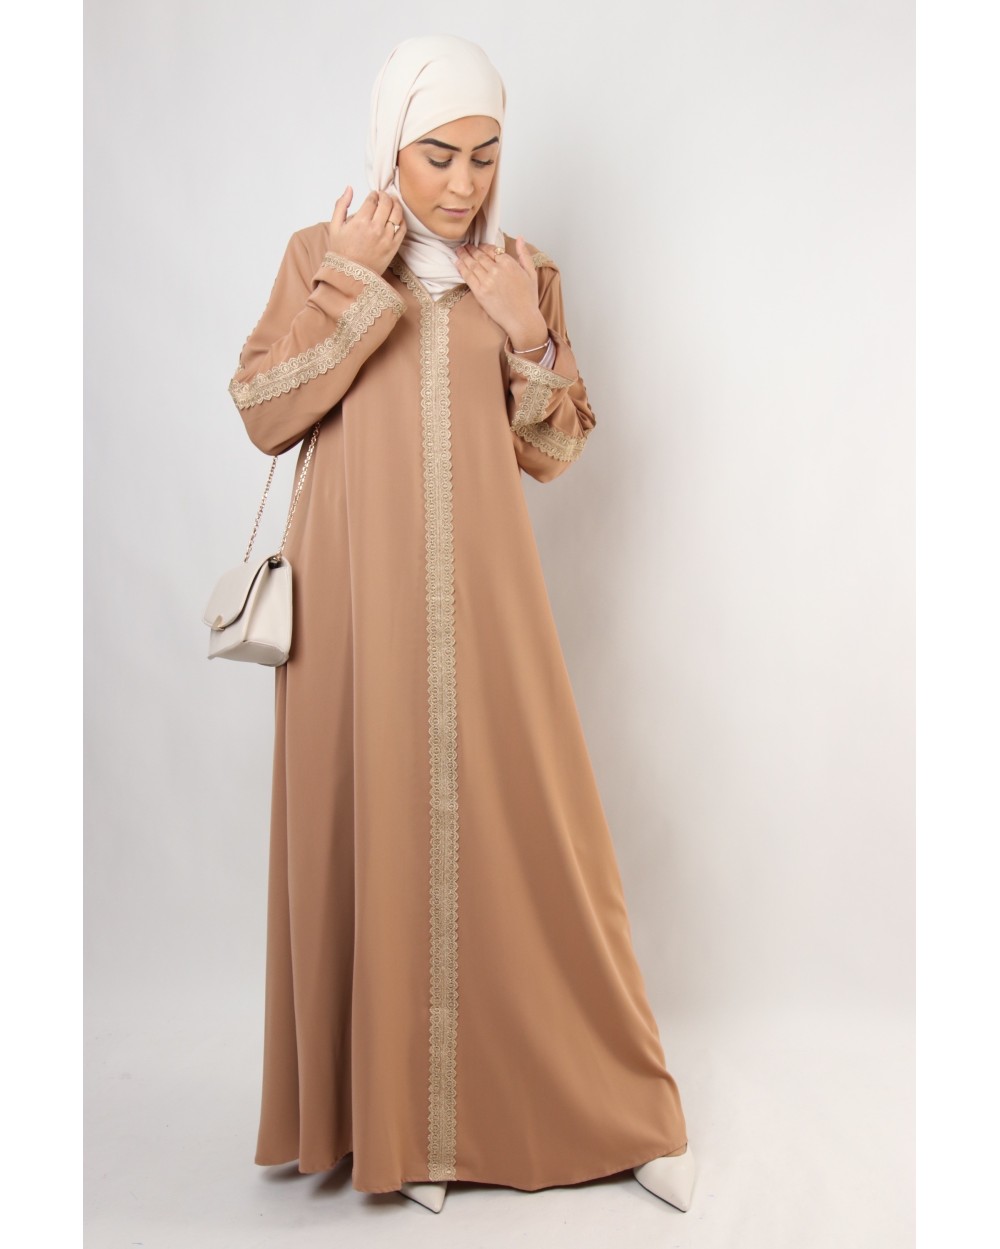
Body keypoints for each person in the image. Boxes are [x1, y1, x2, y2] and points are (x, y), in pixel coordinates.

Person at [226, 33, 697, 1215]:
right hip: (350, 610)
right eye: (437, 154)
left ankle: (612, 1101)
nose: (462, 183)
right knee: (376, 829)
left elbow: (554, 450)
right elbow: (266, 412)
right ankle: (404, 1128)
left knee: (540, 839)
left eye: (485, 156)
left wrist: (528, 333)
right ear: (391, 146)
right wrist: (352, 282)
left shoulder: (519, 272)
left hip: (487, 607)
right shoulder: (322, 253)